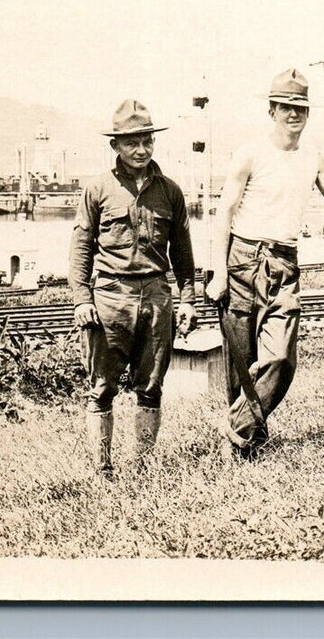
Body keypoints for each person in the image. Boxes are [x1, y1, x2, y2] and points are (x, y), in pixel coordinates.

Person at [206, 68, 324, 458]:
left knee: (280, 359)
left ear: (307, 114)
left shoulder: (312, 157)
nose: (294, 114)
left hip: (284, 264)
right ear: (272, 111)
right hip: (242, 261)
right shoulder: (250, 153)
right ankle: (247, 447)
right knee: (241, 365)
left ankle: (233, 430)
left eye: (300, 109)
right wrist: (219, 272)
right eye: (286, 107)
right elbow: (224, 214)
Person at [68, 99, 197, 479]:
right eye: (131, 143)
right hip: (110, 298)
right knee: (101, 389)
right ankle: (102, 470)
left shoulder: (170, 191)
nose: (141, 150)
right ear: (116, 146)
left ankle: (143, 470)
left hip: (156, 297)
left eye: (146, 141)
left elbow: (183, 253)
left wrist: (188, 300)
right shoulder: (98, 190)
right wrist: (82, 300)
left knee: (151, 387)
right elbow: (81, 248)